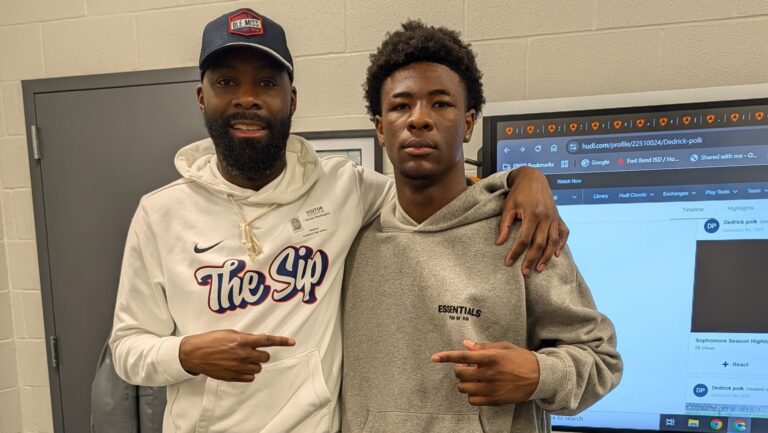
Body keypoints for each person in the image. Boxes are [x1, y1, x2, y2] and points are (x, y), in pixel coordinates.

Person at [109, 9, 566, 433]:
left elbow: (432, 187)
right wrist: (185, 353)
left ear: (290, 99)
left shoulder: (342, 187)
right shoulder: (159, 213)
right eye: (226, 82)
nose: (247, 98)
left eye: (266, 84)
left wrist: (523, 178)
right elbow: (127, 349)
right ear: (201, 97)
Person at [341, 21, 623, 433]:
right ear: (381, 128)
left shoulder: (522, 230)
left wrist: (538, 373)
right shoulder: (350, 237)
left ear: (469, 123)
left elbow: (601, 361)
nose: (419, 119)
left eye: (441, 104)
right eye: (402, 106)